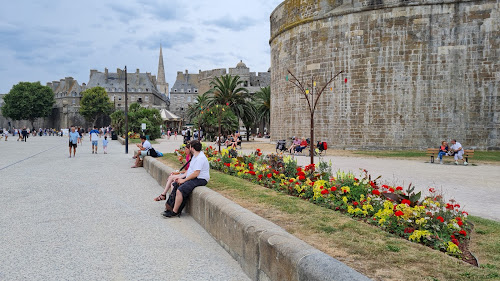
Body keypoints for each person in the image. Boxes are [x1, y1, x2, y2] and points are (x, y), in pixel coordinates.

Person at [162, 140, 210, 218]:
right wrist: (180, 177)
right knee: (175, 184)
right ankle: (171, 206)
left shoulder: (200, 158)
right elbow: (190, 170)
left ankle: (175, 211)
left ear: (192, 148)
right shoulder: (195, 156)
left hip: (200, 179)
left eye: (190, 146)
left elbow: (196, 173)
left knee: (180, 190)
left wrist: (184, 180)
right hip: (195, 177)